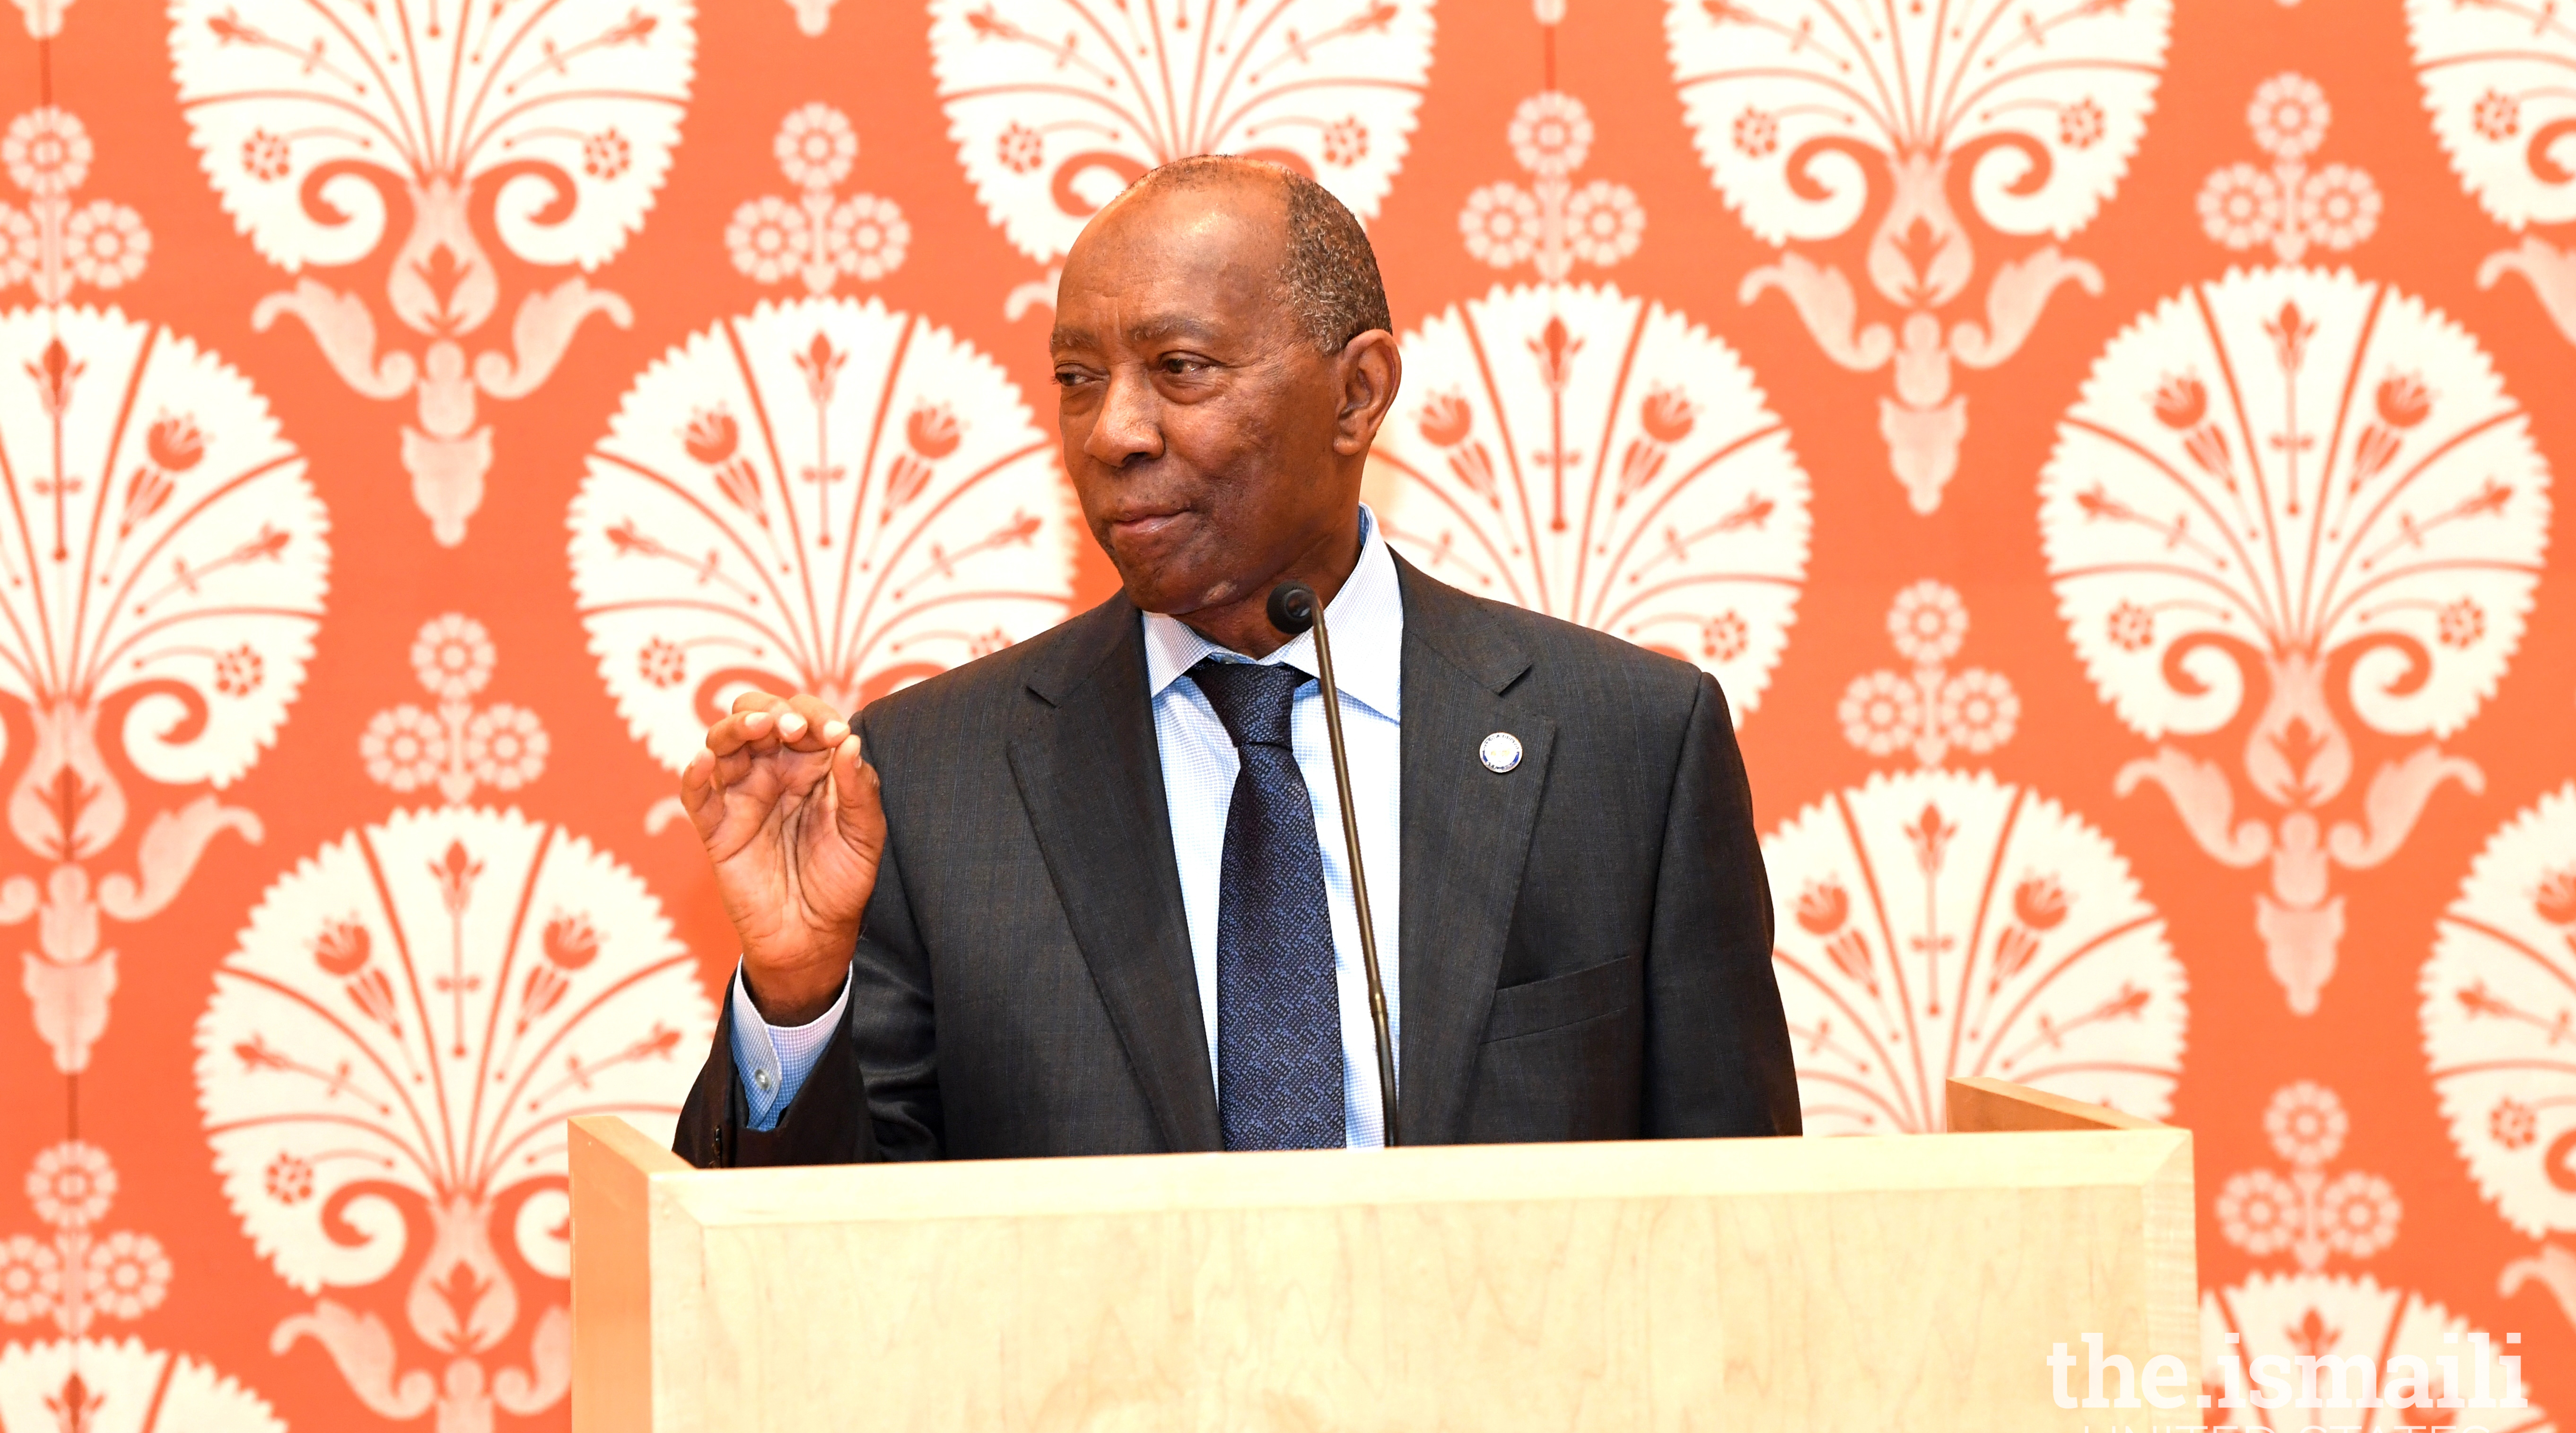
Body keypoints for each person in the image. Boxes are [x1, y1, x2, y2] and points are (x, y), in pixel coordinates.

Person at [672, 156, 1798, 1164]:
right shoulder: (931, 777)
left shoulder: (1628, 748)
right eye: (1076, 378)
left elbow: (1743, 1232)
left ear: (1357, 395)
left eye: (1180, 367)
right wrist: (795, 995)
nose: (1114, 432)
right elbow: (823, 1276)